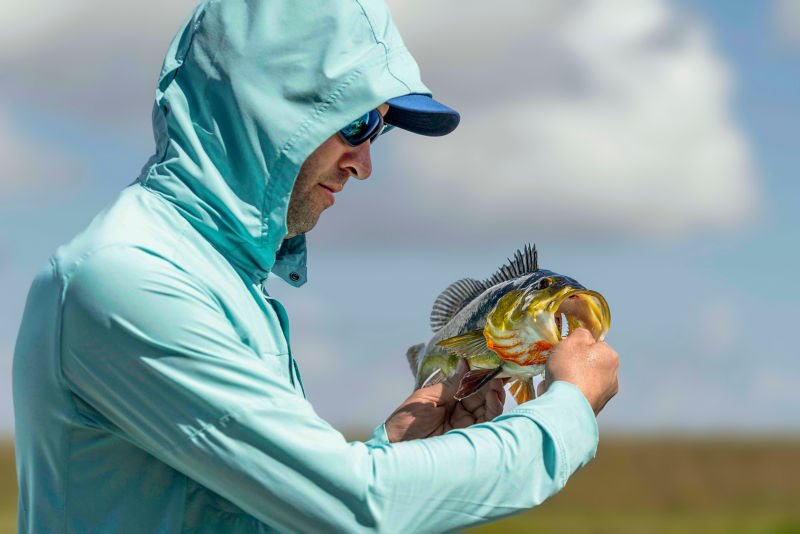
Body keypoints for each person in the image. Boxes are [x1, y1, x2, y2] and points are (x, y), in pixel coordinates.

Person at [12, 0, 619, 532]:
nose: (364, 164)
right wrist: (564, 413)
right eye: (353, 123)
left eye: (377, 132)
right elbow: (355, 510)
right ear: (266, 107)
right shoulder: (129, 280)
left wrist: (401, 446)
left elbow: (272, 509)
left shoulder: (218, 281)